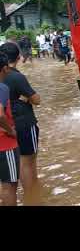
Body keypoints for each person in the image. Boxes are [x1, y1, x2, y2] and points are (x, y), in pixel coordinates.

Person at [0, 42, 41, 201]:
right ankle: (32, 197)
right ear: (18, 57)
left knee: (13, 172)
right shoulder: (16, 77)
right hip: (23, 124)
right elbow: (36, 100)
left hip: (8, 128)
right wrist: (26, 98)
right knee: (28, 162)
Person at [0, 52, 19, 206]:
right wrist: (11, 131)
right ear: (5, 68)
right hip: (5, 144)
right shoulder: (2, 88)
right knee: (10, 185)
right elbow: (0, 114)